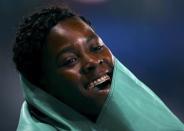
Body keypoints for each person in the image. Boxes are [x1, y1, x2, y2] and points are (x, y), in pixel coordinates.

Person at [13, 4, 184, 131]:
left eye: (96, 48)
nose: (93, 62)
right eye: (70, 60)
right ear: (41, 83)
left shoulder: (147, 113)